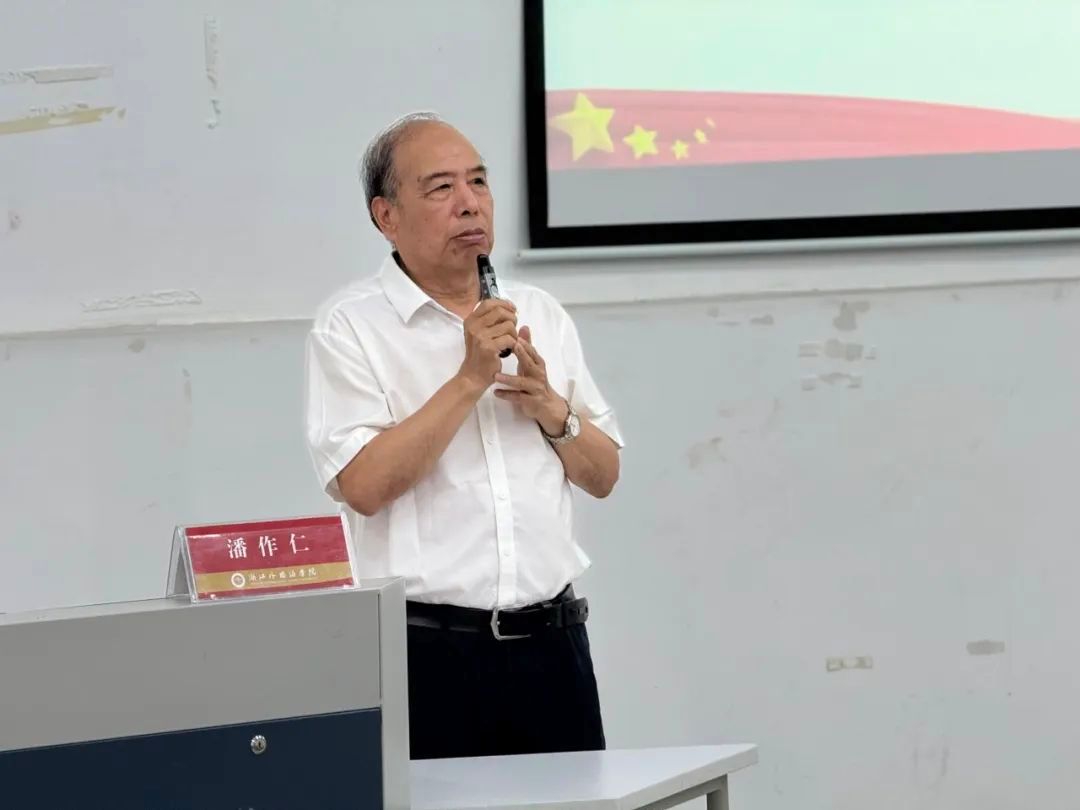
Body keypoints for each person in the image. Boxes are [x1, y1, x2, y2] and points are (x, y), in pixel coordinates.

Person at [303, 112, 624, 760]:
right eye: (441, 187)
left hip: (554, 647)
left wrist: (551, 409)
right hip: (429, 658)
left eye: (478, 182)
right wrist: (469, 379)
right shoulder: (351, 327)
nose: (470, 203)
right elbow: (362, 486)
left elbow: (603, 475)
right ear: (386, 216)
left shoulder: (540, 314)